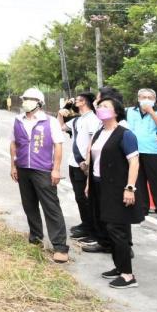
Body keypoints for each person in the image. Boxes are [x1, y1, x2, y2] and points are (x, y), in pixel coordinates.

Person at [84, 97, 143, 289]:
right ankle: (119, 268)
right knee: (108, 228)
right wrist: (88, 183)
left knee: (118, 230)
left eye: (105, 106)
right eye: (99, 106)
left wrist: (130, 188)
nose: (101, 109)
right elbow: (94, 160)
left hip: (118, 188)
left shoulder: (125, 134)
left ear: (116, 112)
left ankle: (128, 276)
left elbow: (134, 162)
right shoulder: (100, 132)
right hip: (99, 185)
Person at [9, 87, 69, 263]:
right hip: (23, 168)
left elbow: (58, 145)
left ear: (39, 103)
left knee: (51, 207)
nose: (26, 101)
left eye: (30, 99)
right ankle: (35, 237)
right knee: (29, 205)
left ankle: (60, 246)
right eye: (25, 98)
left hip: (43, 169)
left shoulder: (49, 122)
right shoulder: (18, 120)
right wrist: (13, 166)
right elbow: (13, 144)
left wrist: (56, 169)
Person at [57, 92, 101, 243]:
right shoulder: (78, 120)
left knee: (87, 198)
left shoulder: (93, 120)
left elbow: (93, 142)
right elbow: (60, 127)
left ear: (85, 102)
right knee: (79, 197)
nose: (75, 101)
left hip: (84, 163)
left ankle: (93, 229)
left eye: (78, 100)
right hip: (73, 162)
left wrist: (88, 162)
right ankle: (85, 224)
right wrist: (61, 112)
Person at [125, 89, 157, 221]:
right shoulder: (129, 111)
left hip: (153, 151)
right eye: (144, 97)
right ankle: (142, 208)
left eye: (150, 97)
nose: (146, 99)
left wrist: (151, 112)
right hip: (134, 151)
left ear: (154, 99)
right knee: (139, 181)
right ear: (138, 98)